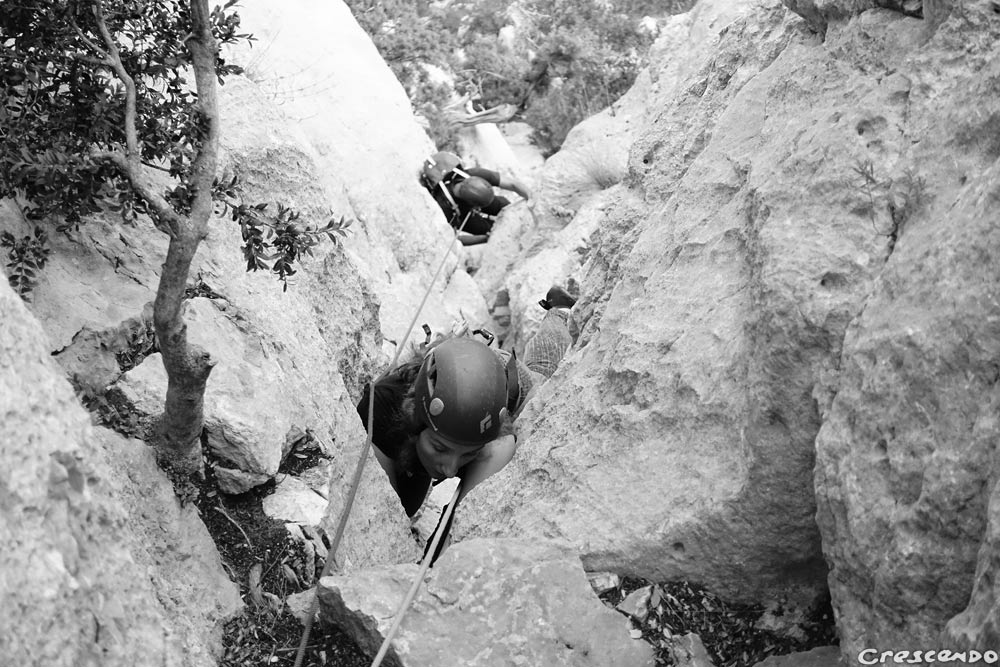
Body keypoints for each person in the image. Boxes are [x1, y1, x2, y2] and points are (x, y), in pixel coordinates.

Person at [356, 285, 577, 559]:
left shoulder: (494, 438)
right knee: (407, 504)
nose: (449, 471)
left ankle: (561, 313)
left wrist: (437, 559)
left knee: (543, 374)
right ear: (417, 422)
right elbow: (386, 510)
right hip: (458, 379)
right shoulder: (382, 409)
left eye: (466, 454)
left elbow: (459, 526)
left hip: (506, 384)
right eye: (439, 448)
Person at [420, 151, 532, 246]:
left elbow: (512, 184)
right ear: (472, 205)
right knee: (490, 229)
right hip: (460, 213)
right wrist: (484, 238)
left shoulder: (473, 174)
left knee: (503, 204)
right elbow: (454, 239)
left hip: (469, 200)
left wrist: (530, 195)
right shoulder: (445, 207)